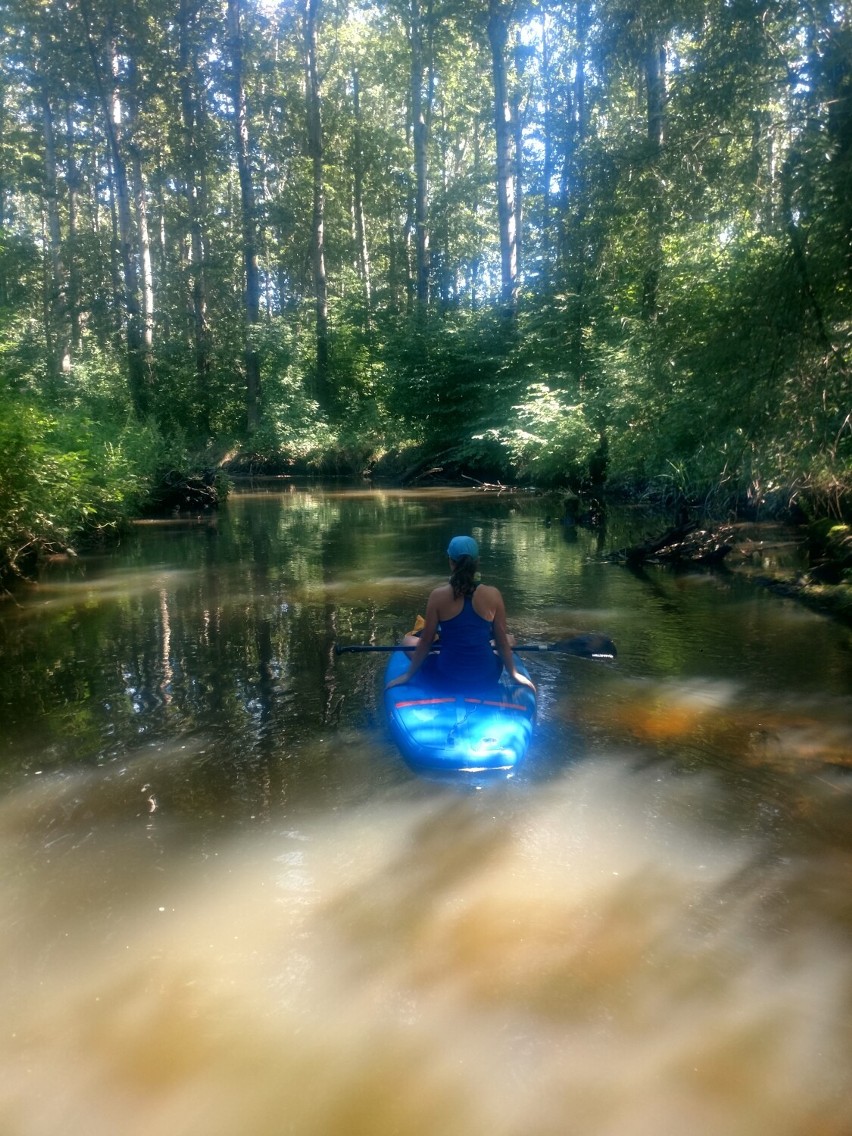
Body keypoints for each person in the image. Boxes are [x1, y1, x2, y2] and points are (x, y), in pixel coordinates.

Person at [385, 535, 536, 693]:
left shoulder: (438, 596)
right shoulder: (494, 594)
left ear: (451, 562)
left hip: (446, 677)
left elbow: (425, 642)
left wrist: (408, 675)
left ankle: (441, 654)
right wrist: (514, 674)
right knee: (508, 639)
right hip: (488, 677)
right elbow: (502, 642)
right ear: (477, 562)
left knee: (407, 641)